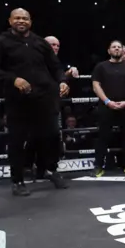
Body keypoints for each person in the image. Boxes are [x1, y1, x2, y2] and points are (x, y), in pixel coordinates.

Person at [0, 8, 69, 196]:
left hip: (44, 97)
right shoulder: (0, 43)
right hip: (18, 100)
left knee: (52, 136)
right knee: (17, 141)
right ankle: (17, 181)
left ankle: (50, 170)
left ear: (30, 21)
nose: (21, 21)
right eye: (17, 18)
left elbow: (55, 66)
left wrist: (62, 81)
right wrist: (13, 79)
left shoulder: (39, 42)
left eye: (25, 18)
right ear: (10, 20)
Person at [24, 35, 80, 181]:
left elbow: (56, 78)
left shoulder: (55, 63)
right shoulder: (33, 60)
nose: (54, 47)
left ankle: (46, 169)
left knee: (52, 137)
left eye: (57, 45)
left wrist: (67, 75)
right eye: (51, 44)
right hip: (34, 104)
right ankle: (30, 167)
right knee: (35, 137)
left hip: (52, 105)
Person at [91, 40, 125, 177]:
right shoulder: (101, 67)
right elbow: (96, 85)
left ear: (122, 50)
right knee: (103, 136)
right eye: (114, 47)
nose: (117, 49)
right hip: (106, 106)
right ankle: (98, 166)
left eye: (119, 47)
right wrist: (107, 101)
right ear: (109, 51)